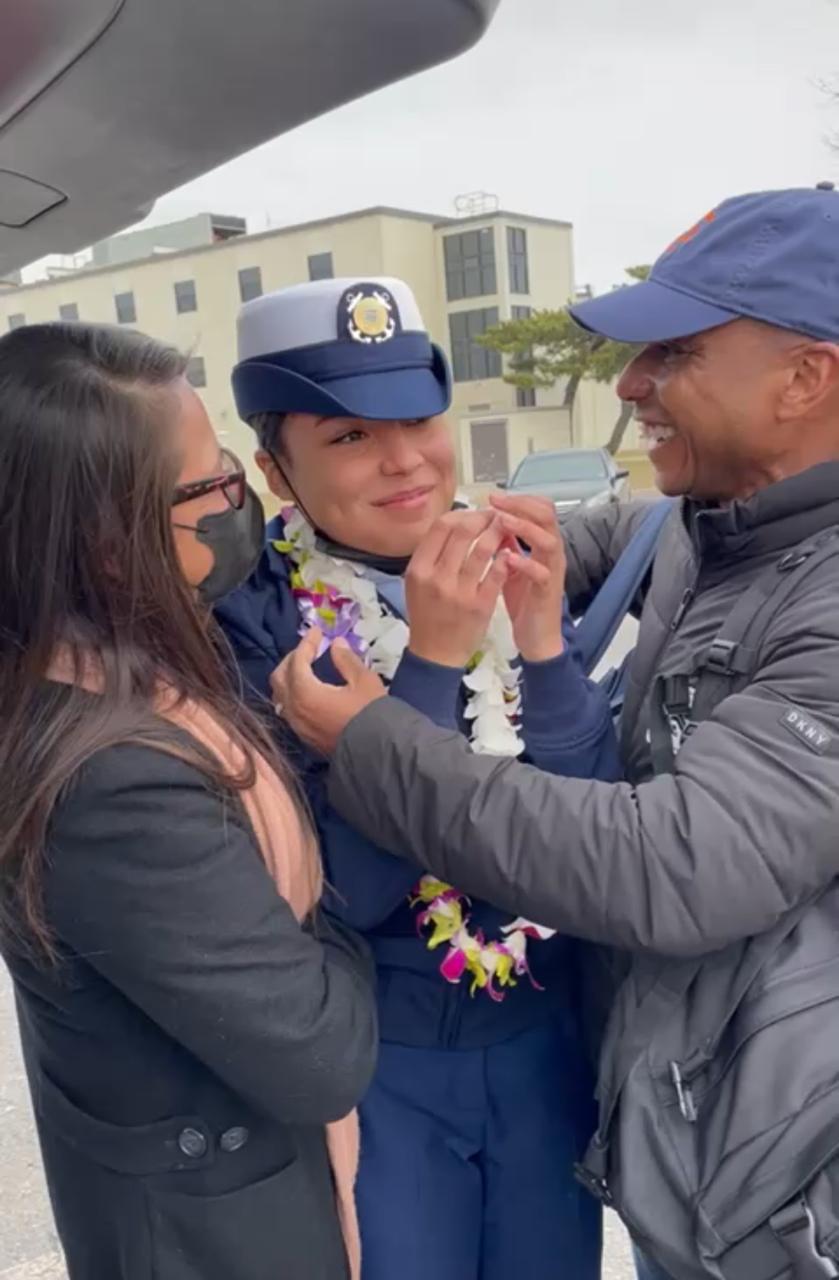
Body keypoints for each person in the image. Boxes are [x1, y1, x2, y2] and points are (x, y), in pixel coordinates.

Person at [273, 187, 839, 1274]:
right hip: (681, 1138)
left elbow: (670, 865)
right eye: (350, 432)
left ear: (803, 376)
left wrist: (377, 733)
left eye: (670, 353)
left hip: (795, 1186)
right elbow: (534, 548)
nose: (629, 388)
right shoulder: (703, 521)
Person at [216, 277, 622, 1280]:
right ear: (276, 468)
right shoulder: (253, 621)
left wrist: (537, 641)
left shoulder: (498, 561)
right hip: (383, 1060)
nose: (404, 459)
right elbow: (349, 888)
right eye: (349, 436)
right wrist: (430, 670)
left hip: (539, 1037)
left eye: (415, 418)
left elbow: (591, 830)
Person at [0, 322, 377, 1280]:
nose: (235, 502)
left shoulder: (105, 667)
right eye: (207, 486)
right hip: (212, 1238)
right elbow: (319, 1053)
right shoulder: (107, 780)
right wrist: (335, 893)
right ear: (104, 538)